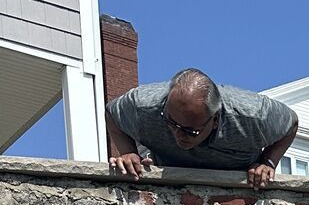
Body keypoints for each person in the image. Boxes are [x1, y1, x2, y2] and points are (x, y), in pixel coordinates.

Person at [106, 68, 298, 190]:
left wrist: (268, 162)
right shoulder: (143, 105)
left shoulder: (254, 116)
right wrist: (129, 152)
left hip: (236, 182)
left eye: (191, 131)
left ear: (215, 120)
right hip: (166, 175)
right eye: (171, 123)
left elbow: (292, 123)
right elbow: (111, 114)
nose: (178, 135)